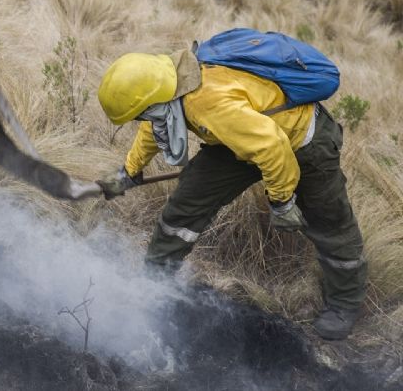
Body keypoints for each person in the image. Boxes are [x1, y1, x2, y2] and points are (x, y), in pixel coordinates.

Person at [95, 48, 367, 340]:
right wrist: (129, 171)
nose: (143, 120)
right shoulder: (170, 89)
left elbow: (273, 148)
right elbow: (156, 125)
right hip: (241, 135)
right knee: (189, 200)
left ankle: (344, 303)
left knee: (329, 220)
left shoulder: (207, 102)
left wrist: (282, 202)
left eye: (140, 114)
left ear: (154, 99)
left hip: (301, 139)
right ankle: (156, 279)